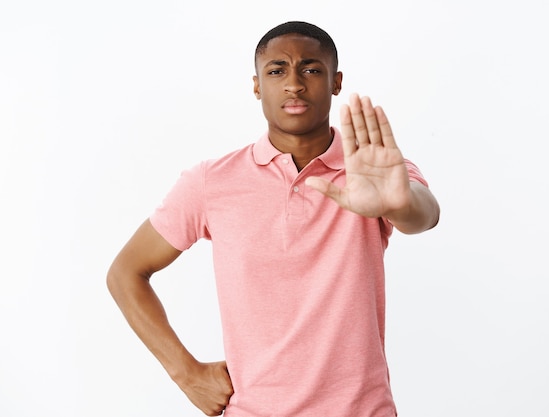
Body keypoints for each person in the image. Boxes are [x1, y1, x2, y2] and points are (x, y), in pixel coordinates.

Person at [107, 21, 440, 417]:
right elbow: (125, 273)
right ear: (256, 85)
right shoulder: (212, 181)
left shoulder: (376, 171)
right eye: (277, 70)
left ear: (336, 82)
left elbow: (424, 214)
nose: (295, 84)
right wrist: (187, 374)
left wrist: (398, 203)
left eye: (312, 69)